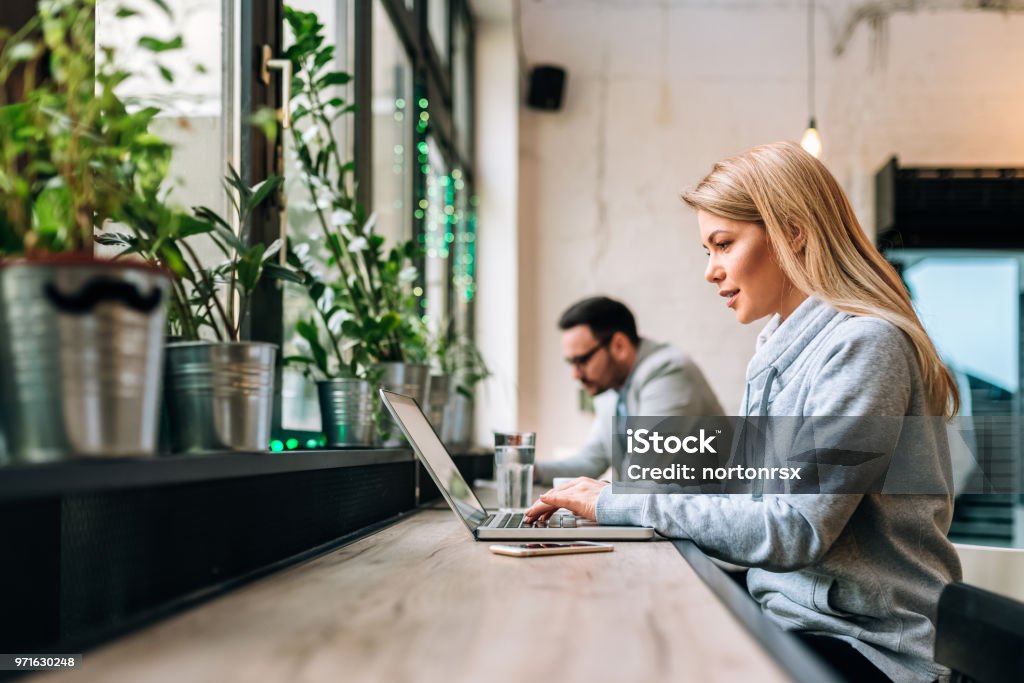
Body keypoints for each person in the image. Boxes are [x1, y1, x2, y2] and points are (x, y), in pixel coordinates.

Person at [526, 142, 962, 683]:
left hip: (865, 647)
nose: (711, 271)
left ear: (792, 231)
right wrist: (614, 501)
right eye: (707, 251)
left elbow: (795, 527)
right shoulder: (777, 346)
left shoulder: (866, 345)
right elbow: (746, 495)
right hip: (790, 617)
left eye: (724, 244)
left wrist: (625, 501)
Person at [535, 296, 723, 484]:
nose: (575, 375)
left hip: (710, 508)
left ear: (619, 346)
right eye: (571, 363)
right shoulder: (611, 389)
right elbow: (590, 461)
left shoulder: (669, 372)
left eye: (582, 361)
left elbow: (641, 474)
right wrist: (529, 470)